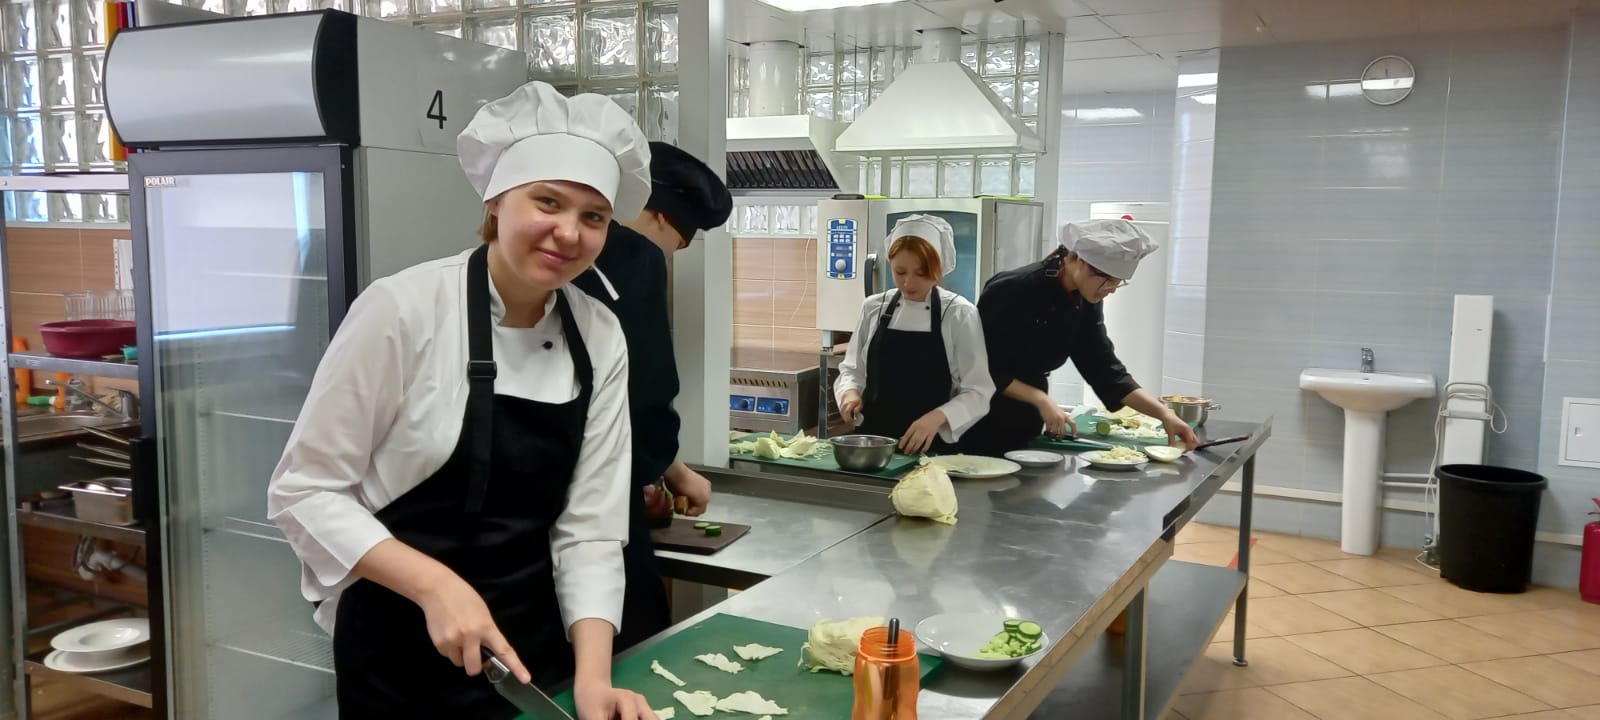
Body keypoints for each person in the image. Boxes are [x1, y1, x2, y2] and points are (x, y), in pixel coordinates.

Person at [267, 81, 657, 720]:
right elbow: (303, 491)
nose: (569, 232)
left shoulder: (600, 334)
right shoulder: (403, 309)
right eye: (548, 201)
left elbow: (591, 525)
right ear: (497, 200)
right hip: (399, 645)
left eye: (594, 217)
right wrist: (436, 585)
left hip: (531, 648)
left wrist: (593, 679)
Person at [571, 141, 733, 654]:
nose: (672, 256)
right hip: (595, 507)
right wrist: (670, 468)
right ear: (660, 215)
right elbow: (645, 386)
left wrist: (658, 467)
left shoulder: (562, 259)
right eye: (678, 242)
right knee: (632, 641)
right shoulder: (635, 256)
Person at [959, 218, 1200, 455]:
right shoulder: (1012, 289)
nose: (1112, 289)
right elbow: (983, 366)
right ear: (1080, 261)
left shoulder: (1085, 298)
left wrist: (1165, 415)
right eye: (1107, 280)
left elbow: (1105, 368)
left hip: (1027, 418)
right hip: (980, 416)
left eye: (1118, 282)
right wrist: (1041, 400)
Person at [834, 215, 995, 454]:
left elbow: (978, 392)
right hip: (873, 444)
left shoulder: (959, 314)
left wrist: (938, 417)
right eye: (900, 272)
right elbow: (852, 369)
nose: (908, 283)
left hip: (932, 448)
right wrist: (849, 393)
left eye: (921, 273)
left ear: (939, 268)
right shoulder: (874, 308)